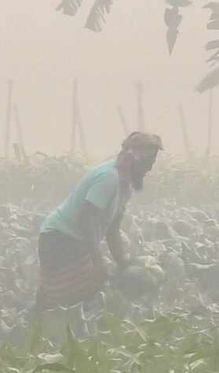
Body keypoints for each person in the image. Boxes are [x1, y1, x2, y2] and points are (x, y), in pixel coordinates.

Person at [34, 132, 162, 310]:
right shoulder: (109, 178)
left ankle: (41, 314)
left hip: (71, 239)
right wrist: (98, 261)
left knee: (78, 295)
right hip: (59, 238)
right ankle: (37, 315)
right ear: (136, 159)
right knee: (75, 296)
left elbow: (112, 230)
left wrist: (123, 263)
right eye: (148, 163)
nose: (150, 169)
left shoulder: (125, 185)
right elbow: (86, 220)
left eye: (152, 163)